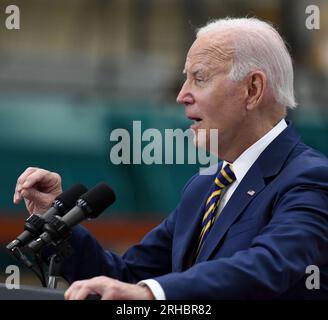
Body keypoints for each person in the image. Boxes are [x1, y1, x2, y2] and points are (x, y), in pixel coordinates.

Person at [13, 17, 328, 300]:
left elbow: (268, 266)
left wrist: (153, 293)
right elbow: (127, 278)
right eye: (185, 78)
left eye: (199, 78)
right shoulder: (204, 186)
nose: (181, 95)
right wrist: (56, 221)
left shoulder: (311, 179)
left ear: (253, 89)